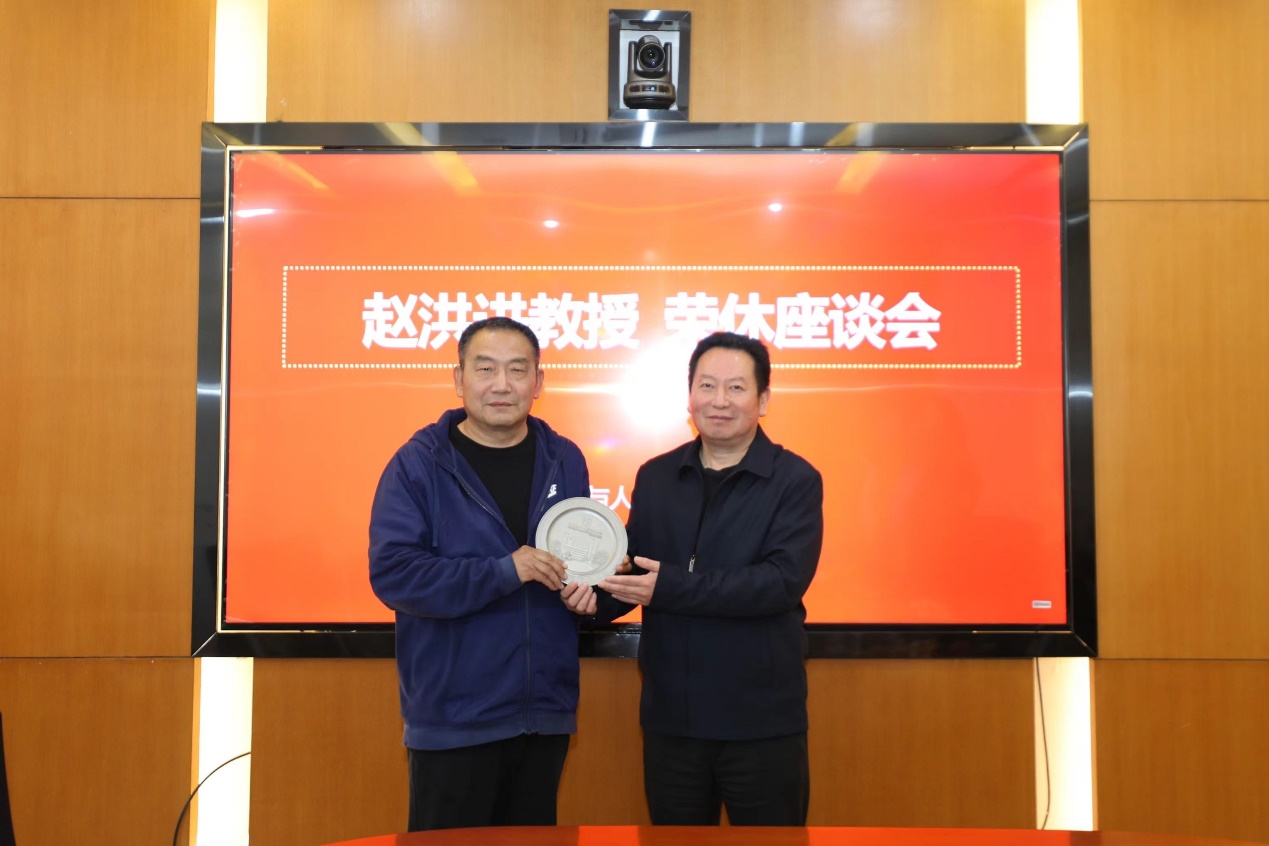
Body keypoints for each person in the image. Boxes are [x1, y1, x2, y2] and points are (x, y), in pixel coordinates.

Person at [567, 331, 824, 826]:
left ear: (763, 400)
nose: (719, 400)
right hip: (673, 720)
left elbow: (780, 583)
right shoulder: (657, 476)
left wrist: (670, 588)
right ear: (689, 397)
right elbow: (634, 567)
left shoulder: (795, 480)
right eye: (707, 385)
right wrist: (589, 598)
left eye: (736, 387)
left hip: (761, 721)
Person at [369, 316, 592, 831]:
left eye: (518, 370)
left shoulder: (565, 459)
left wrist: (588, 592)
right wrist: (504, 572)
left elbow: (576, 561)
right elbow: (395, 574)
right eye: (486, 368)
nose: (502, 384)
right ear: (459, 379)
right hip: (453, 720)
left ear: (538, 382)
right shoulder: (418, 464)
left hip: (543, 716)